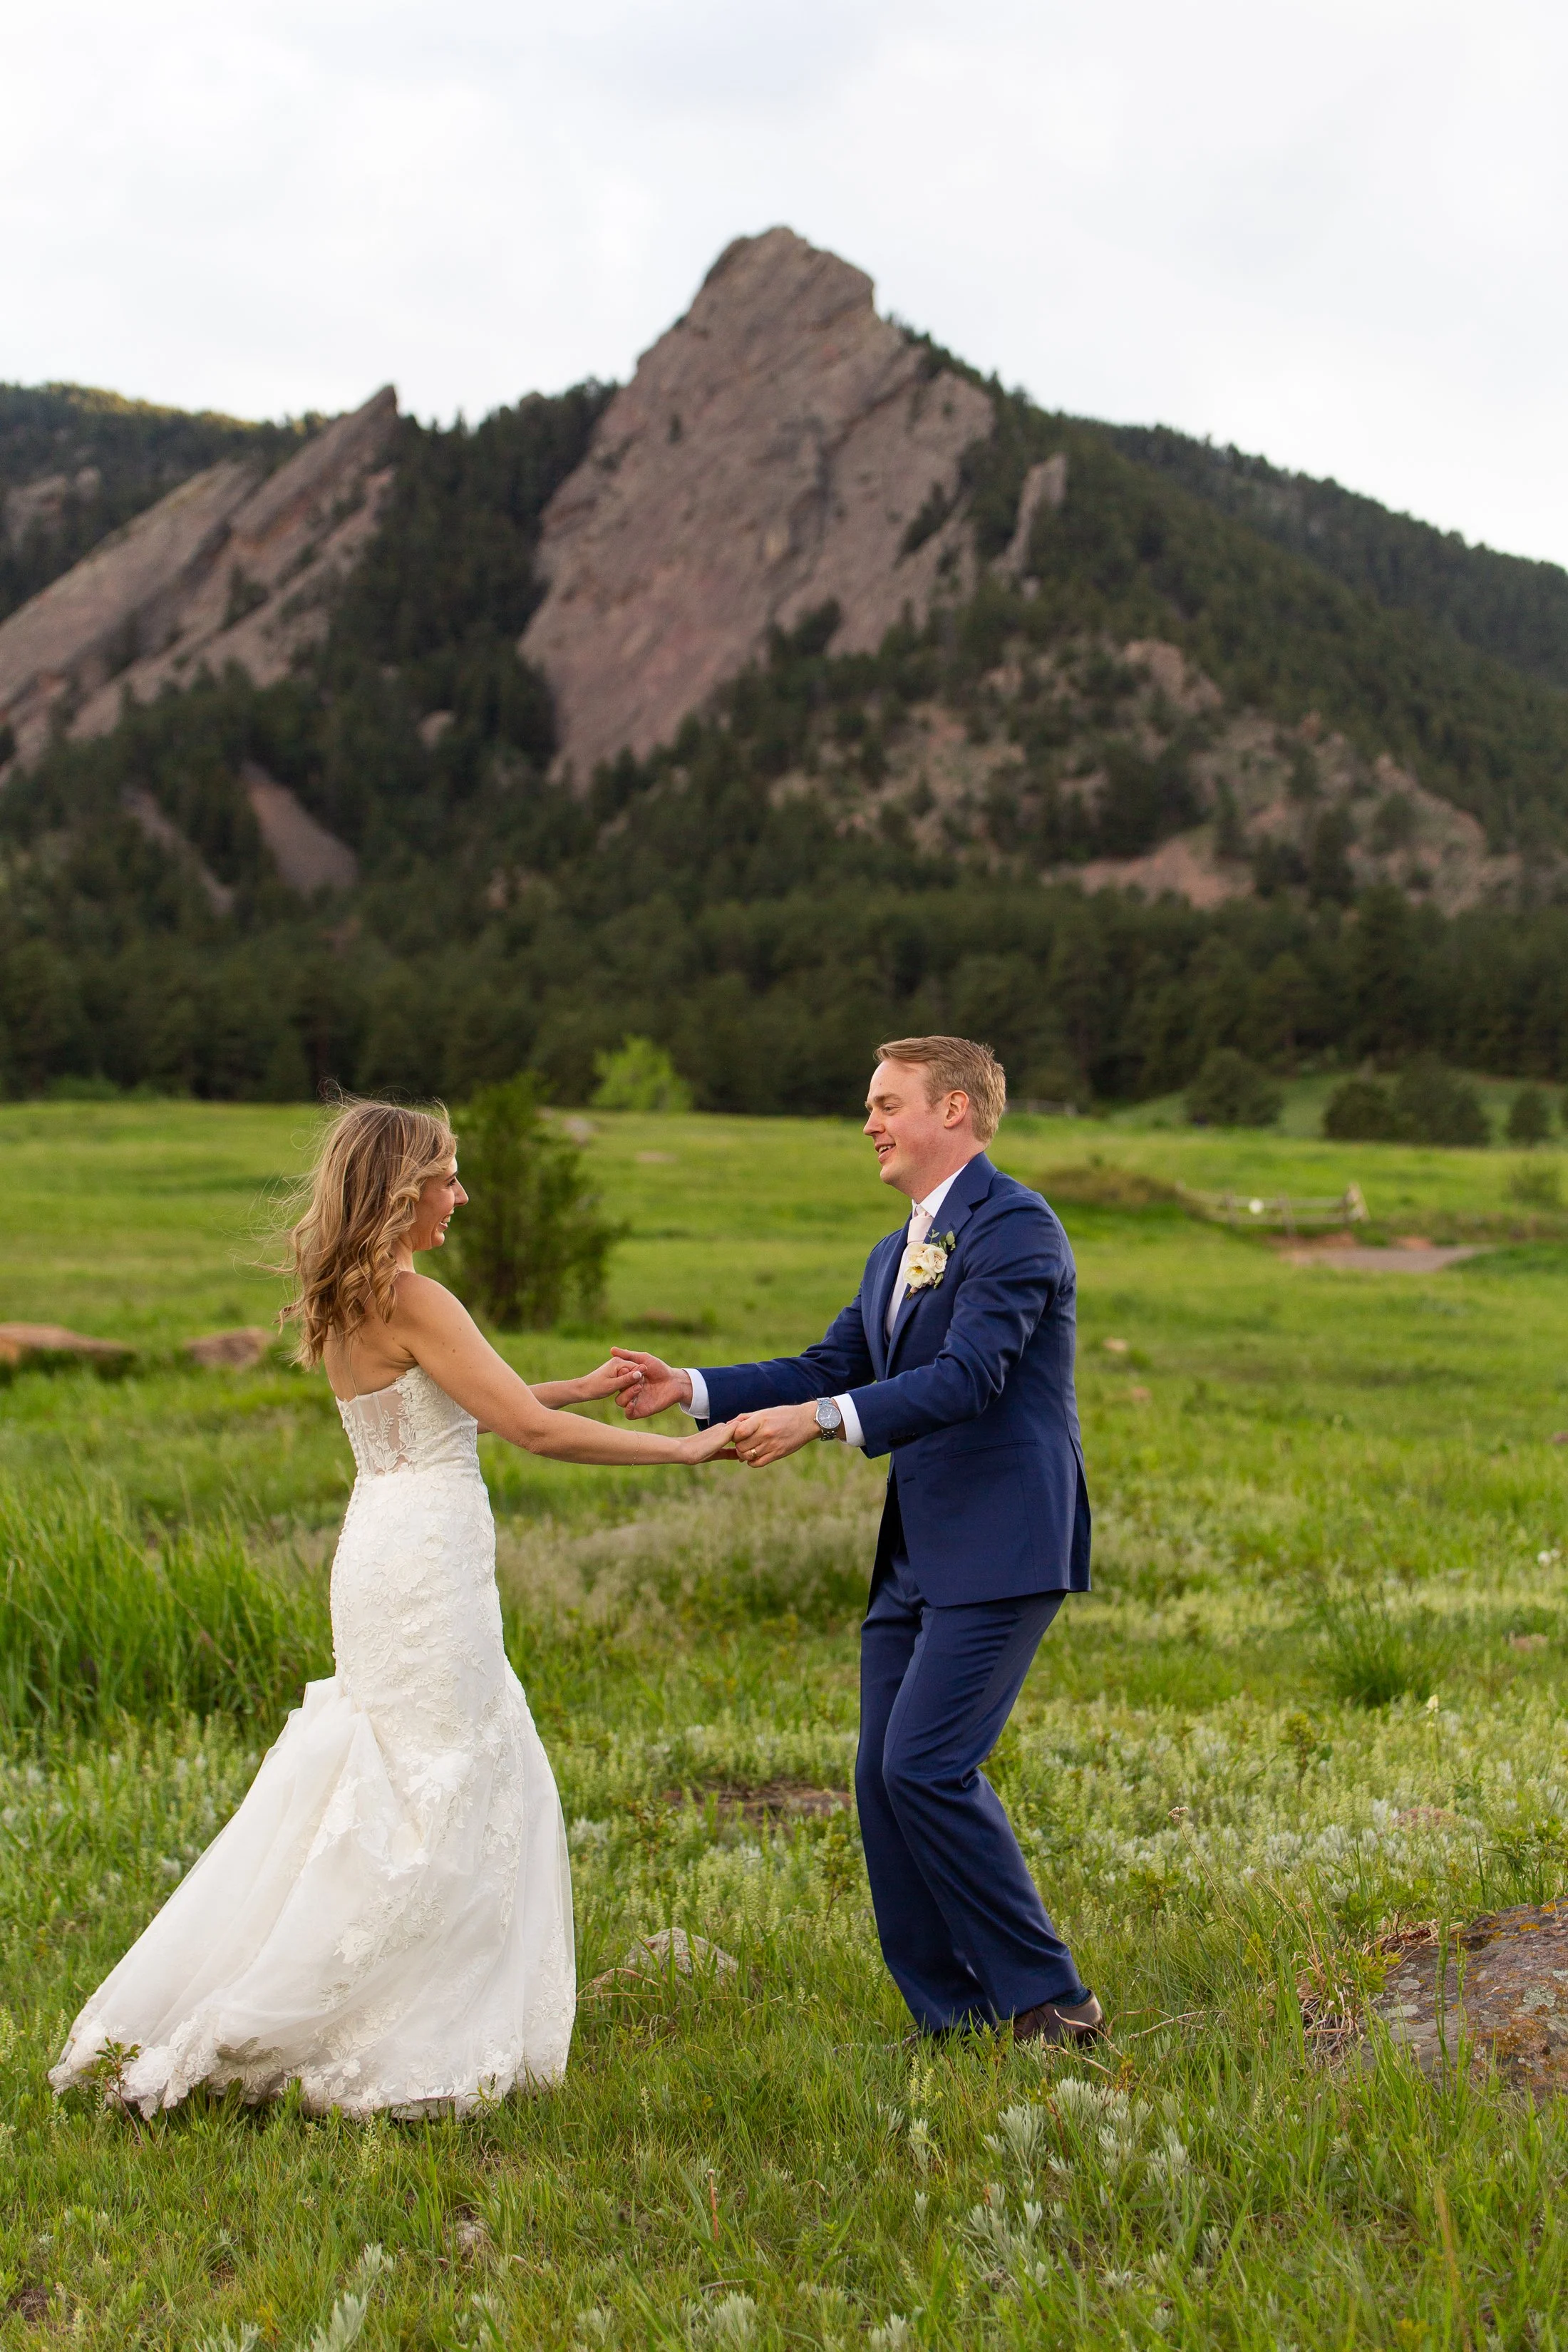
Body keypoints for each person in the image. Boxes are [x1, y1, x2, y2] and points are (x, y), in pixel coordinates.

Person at [50, 1098, 733, 2119]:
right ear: (402, 1191)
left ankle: (341, 1993)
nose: (461, 1196)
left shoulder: (349, 1295)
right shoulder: (418, 1296)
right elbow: (522, 1430)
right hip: (428, 1558)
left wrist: (579, 1385)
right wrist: (684, 1449)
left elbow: (460, 1395)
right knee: (442, 1773)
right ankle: (385, 2023)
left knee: (400, 1767)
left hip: (381, 1542)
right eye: (448, 1178)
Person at [613, 1036, 1100, 2045]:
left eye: (887, 1103)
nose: (869, 1122)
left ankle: (1053, 2003)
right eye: (867, 1106)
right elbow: (828, 1359)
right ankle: (953, 2020)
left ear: (956, 1109)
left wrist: (826, 1421)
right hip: (915, 1554)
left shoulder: (1016, 1225)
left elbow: (972, 1379)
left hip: (1005, 1542)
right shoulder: (895, 1251)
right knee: (884, 1783)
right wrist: (692, 1389)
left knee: (926, 1765)